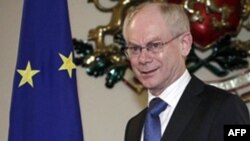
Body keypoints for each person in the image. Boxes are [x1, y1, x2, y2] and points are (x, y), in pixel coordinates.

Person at [122, 1, 250, 141]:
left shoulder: (225, 108)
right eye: (134, 49)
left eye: (154, 45)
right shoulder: (134, 126)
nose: (143, 59)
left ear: (184, 44)